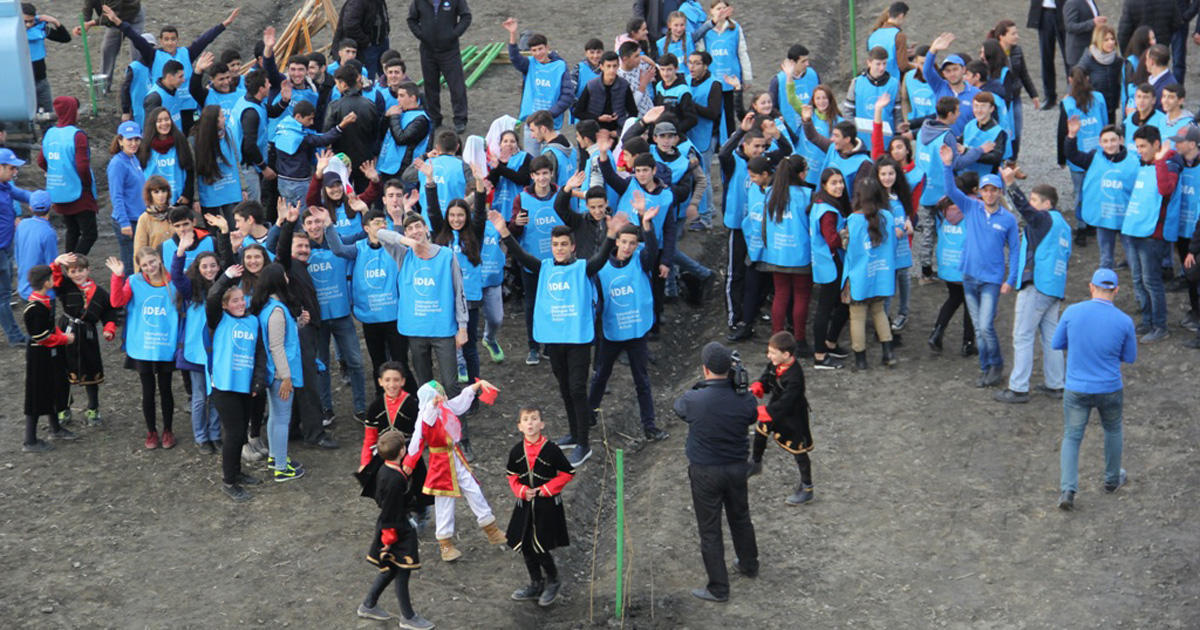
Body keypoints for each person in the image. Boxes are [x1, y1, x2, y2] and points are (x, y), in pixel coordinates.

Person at [490, 210, 623, 467]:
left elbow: (601, 257)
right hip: (554, 338)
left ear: (572, 247)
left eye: (564, 244)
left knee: (576, 388)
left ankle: (584, 444)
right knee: (564, 388)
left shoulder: (583, 267)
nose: (559, 249)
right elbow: (521, 256)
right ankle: (574, 433)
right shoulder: (544, 267)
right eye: (555, 244)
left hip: (578, 339)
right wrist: (504, 232)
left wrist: (611, 234)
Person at [376, 214, 472, 453]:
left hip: (443, 331)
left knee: (450, 384)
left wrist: (462, 327)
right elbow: (380, 234)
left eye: (418, 226)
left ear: (426, 228)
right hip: (416, 331)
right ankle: (430, 434)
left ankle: (462, 437)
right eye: (410, 228)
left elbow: (459, 291)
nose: (415, 231)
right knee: (426, 387)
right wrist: (405, 241)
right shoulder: (403, 255)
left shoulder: (446, 256)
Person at [672, 341, 759, 603]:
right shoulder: (744, 398)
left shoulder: (694, 399)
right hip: (736, 469)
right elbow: (753, 414)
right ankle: (749, 564)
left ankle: (719, 588)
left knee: (710, 530)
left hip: (705, 473)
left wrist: (703, 386)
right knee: (740, 517)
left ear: (705, 369)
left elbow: (679, 407)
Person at [1052, 268, 1137, 510]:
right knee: (1112, 429)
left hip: (1076, 388)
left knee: (1072, 436)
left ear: (1091, 287)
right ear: (1116, 291)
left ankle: (1068, 490)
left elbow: (1057, 343)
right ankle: (1111, 480)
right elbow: (1129, 357)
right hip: (1109, 388)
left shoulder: (1072, 312)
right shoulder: (1124, 321)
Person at [588, 195, 669, 442]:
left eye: (632, 243)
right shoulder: (602, 266)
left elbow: (653, 251)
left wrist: (646, 222)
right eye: (624, 242)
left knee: (642, 380)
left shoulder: (641, 261)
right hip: (611, 332)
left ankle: (649, 426)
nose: (627, 247)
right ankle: (588, 416)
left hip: (636, 331)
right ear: (617, 242)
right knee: (601, 375)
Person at [940, 144, 1021, 387]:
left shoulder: (1008, 219)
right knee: (978, 327)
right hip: (970, 276)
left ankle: (995, 364)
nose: (989, 194)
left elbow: (1016, 250)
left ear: (999, 192)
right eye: (985, 190)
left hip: (991, 280)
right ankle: (986, 367)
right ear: (980, 192)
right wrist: (946, 166)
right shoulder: (971, 207)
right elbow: (949, 190)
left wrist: (1011, 278)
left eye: (994, 190)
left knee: (985, 325)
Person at [403, 381, 507, 562]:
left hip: (456, 457)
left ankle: (491, 529)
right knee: (444, 502)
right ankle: (446, 544)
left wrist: (477, 386)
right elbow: (418, 438)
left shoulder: (445, 407)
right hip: (441, 464)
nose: (443, 397)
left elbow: (460, 402)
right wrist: (409, 463)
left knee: (473, 490)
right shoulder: (427, 416)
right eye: (439, 394)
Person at [994, 169, 1071, 404]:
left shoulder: (1044, 219)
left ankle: (1018, 388)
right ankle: (1056, 384)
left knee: (1023, 336)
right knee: (1050, 338)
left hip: (1037, 285)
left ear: (1047, 204)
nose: (1031, 205)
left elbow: (1024, 210)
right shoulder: (1063, 225)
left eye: (1036, 201)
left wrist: (1010, 183)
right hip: (1054, 287)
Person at [356, 431, 434, 630]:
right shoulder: (395, 480)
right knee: (402, 570)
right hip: (397, 531)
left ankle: (369, 604)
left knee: (391, 569)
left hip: (393, 527)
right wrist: (389, 538)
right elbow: (391, 512)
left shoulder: (384, 469)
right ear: (401, 452)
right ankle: (408, 617)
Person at [205, 265, 267, 501]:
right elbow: (212, 296)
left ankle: (237, 473)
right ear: (225, 305)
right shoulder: (219, 320)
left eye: (242, 299)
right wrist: (227, 277)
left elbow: (260, 355)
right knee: (233, 434)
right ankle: (229, 482)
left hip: (245, 387)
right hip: (224, 387)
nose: (240, 304)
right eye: (235, 301)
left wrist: (257, 383)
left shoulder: (252, 321)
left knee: (241, 432)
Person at [505, 405, 575, 607]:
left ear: (541, 424)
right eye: (526, 419)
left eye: (534, 419)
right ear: (519, 426)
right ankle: (536, 583)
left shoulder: (552, 450)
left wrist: (547, 489)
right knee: (525, 544)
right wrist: (520, 491)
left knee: (541, 544)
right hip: (525, 503)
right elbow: (512, 476)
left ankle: (553, 580)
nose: (530, 423)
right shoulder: (517, 451)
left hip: (546, 505)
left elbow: (567, 473)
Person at [108, 249, 178, 450]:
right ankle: (151, 431)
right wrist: (117, 276)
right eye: (145, 264)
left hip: (165, 345)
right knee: (147, 391)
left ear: (160, 260)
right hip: (143, 346)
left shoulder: (174, 282)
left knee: (166, 389)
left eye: (153, 262)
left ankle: (168, 430)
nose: (150, 267)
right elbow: (117, 301)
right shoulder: (134, 281)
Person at [1121, 125, 1179, 342]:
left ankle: (1160, 326)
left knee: (1151, 281)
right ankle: (1147, 321)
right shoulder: (1144, 165)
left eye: (1143, 146)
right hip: (1135, 230)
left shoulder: (1169, 165)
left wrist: (1161, 160)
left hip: (1153, 235)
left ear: (1157, 144)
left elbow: (1166, 190)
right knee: (1138, 279)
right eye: (1137, 146)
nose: (1139, 151)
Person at [747, 331, 815, 504]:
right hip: (777, 407)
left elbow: (787, 402)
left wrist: (766, 412)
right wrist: (759, 386)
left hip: (793, 416)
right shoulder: (776, 364)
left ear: (786, 354)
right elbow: (766, 376)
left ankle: (807, 487)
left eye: (772, 353)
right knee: (761, 429)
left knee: (798, 449)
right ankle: (756, 462)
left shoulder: (795, 377)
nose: (768, 356)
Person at [52, 253, 117, 427]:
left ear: (88, 270)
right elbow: (55, 278)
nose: (77, 274)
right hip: (66, 332)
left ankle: (93, 408)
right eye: (73, 271)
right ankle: (63, 407)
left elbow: (109, 313)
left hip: (88, 335)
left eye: (81, 270)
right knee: (63, 370)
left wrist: (109, 329)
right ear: (68, 272)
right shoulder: (65, 286)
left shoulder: (101, 293)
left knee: (91, 369)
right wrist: (57, 263)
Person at [1065, 120, 1138, 270]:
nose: (1109, 144)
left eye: (1113, 140)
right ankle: (1104, 287)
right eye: (1105, 141)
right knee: (1105, 258)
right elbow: (1072, 155)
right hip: (1104, 217)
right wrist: (1072, 135)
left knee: (1133, 257)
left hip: (1126, 217)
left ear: (1121, 140)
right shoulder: (1094, 158)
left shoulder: (1134, 161)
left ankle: (1141, 286)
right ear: (1100, 143)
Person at [21, 265, 75, 453]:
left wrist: (59, 335)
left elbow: (51, 328)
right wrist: (64, 339)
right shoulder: (35, 308)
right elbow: (42, 336)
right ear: (46, 282)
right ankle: (30, 440)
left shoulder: (43, 301)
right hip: (39, 356)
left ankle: (55, 427)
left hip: (48, 354)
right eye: (52, 278)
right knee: (36, 394)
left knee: (52, 388)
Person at [504, 18, 575, 155]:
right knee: (533, 162)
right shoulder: (530, 64)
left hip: (550, 124)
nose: (538, 53)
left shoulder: (560, 67)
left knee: (552, 160)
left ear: (547, 48)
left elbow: (568, 96)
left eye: (540, 49)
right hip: (531, 125)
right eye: (534, 50)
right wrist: (513, 34)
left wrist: (549, 114)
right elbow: (514, 58)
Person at [38, 97, 99, 254]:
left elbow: (41, 161)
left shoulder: (50, 134)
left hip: (58, 193)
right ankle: (75, 268)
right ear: (72, 111)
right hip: (79, 193)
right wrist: (86, 184)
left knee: (72, 231)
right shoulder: (77, 136)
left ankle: (66, 269)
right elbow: (83, 166)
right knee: (90, 234)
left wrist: (55, 171)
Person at [407, 0, 471, 132]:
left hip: (450, 50)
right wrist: (421, 34)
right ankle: (434, 117)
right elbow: (411, 19)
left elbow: (466, 16)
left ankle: (460, 119)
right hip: (428, 50)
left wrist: (454, 34)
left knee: (456, 85)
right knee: (430, 86)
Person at [694, 1, 753, 141]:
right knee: (714, 113)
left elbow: (742, 52)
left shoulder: (735, 28)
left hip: (730, 79)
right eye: (718, 8)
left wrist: (747, 76)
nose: (721, 11)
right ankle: (714, 143)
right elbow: (701, 53)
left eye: (724, 8)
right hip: (713, 80)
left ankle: (730, 142)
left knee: (729, 113)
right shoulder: (706, 30)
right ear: (711, 11)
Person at [0, 148, 33, 344]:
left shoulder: (5, 186)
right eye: (12, 168)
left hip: (5, 247)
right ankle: (15, 337)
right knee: (3, 296)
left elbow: (22, 195)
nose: (15, 172)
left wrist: (41, 200)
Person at [77, 0, 145, 94]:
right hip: (112, 19)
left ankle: (140, 86)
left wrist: (90, 24)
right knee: (107, 50)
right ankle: (104, 86)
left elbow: (113, 15)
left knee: (137, 51)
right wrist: (84, 24)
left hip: (133, 16)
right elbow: (87, 6)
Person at [844, 47, 902, 152]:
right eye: (878, 64)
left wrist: (897, 136)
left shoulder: (894, 84)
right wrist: (854, 135)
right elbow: (848, 111)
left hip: (886, 142)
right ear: (869, 63)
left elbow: (897, 114)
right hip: (862, 142)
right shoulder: (857, 83)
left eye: (884, 64)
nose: (882, 68)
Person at [107, 121, 146, 274]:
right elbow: (116, 196)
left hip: (137, 217)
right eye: (129, 139)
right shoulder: (117, 164)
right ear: (120, 141)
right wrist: (124, 223)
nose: (133, 143)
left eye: (137, 139)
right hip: (128, 221)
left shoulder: (133, 159)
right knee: (131, 264)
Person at [137, 107, 195, 206]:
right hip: (153, 203)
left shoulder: (181, 141)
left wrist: (187, 194)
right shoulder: (144, 146)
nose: (164, 123)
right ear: (153, 124)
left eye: (167, 119)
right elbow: (140, 173)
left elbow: (190, 169)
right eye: (159, 121)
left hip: (179, 201)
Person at [1075, 24, 1130, 126]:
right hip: (1095, 107)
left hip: (1111, 106)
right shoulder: (1089, 58)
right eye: (1106, 40)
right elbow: (1077, 75)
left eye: (1112, 39)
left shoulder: (1117, 60)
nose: (1111, 42)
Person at [22, 4, 71, 115]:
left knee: (48, 115)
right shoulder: (10, 34)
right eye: (25, 21)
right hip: (22, 84)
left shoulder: (40, 29)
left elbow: (65, 38)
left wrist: (55, 22)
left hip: (41, 80)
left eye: (31, 21)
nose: (28, 25)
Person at [572, 51, 637, 134]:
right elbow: (578, 112)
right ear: (601, 67)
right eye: (608, 66)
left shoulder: (624, 85)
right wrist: (598, 118)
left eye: (614, 66)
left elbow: (633, 112)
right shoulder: (592, 85)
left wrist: (619, 132)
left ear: (618, 66)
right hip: (594, 130)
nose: (612, 70)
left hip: (616, 130)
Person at [14, 191, 57, 302]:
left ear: (30, 208)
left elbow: (17, 252)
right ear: (51, 206)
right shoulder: (48, 233)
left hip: (24, 287)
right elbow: (52, 264)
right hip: (43, 293)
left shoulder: (22, 225)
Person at [332, 0, 390, 78]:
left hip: (381, 42)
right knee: (367, 78)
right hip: (367, 48)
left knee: (387, 75)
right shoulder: (357, 2)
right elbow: (350, 26)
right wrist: (366, 42)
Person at [1026, 0, 1068, 109]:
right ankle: (1050, 95)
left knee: (1069, 56)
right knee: (1046, 56)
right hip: (1045, 11)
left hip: (1065, 9)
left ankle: (1073, 92)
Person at [867, 2, 911, 79]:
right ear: (901, 16)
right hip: (891, 81)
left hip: (873, 80)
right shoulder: (899, 36)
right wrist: (917, 66)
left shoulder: (873, 35)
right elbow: (903, 66)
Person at [1064, 0, 1106, 69]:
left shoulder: (1091, 1)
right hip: (1078, 53)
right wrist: (1092, 23)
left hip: (1092, 50)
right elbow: (1070, 26)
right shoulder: (1072, 2)